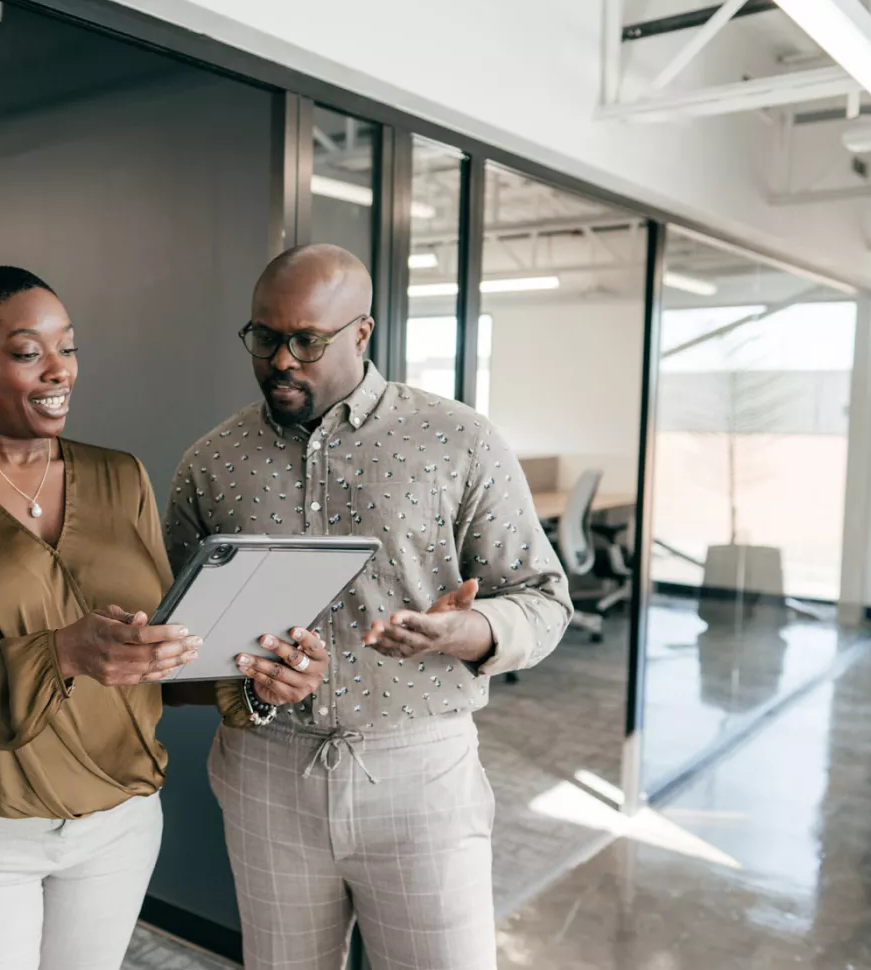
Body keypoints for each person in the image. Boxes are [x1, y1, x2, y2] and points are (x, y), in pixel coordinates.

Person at [0, 265, 330, 970]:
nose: (59, 371)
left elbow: (155, 660)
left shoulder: (121, 476)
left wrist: (258, 683)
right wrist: (62, 654)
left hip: (118, 826)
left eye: (68, 348)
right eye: (26, 352)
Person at [166, 245, 573, 970]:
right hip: (265, 772)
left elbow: (544, 600)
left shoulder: (459, 441)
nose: (281, 360)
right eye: (264, 338)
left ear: (362, 333)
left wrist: (467, 631)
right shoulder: (209, 462)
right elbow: (180, 643)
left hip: (420, 772)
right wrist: (247, 685)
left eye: (306, 341)